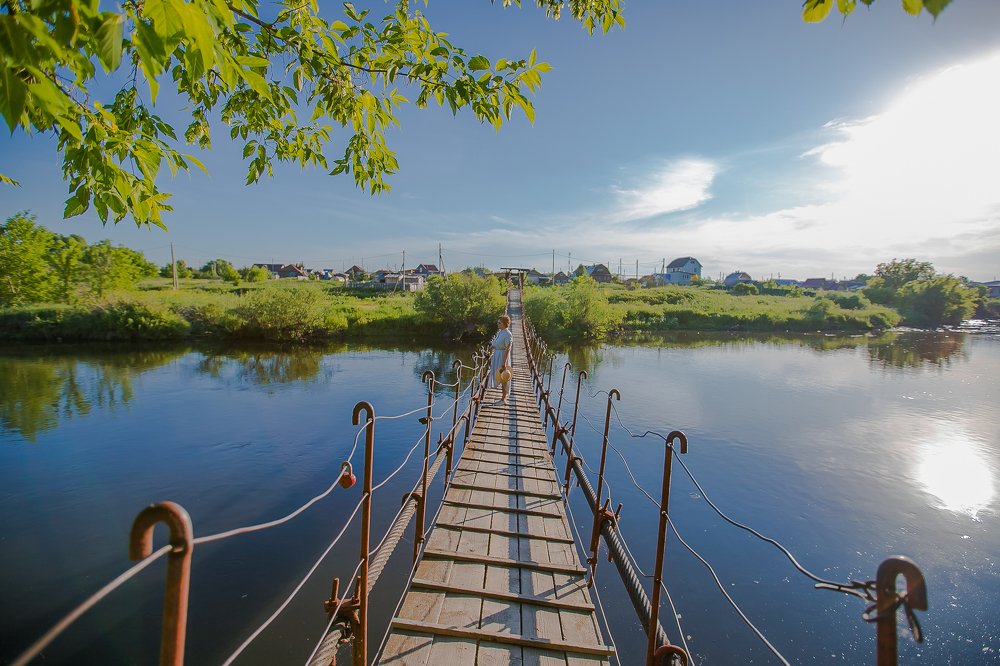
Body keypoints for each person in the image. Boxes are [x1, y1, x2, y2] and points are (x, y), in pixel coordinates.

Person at [489, 314, 513, 405]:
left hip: (502, 356)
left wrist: (504, 362)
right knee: (499, 376)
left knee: (504, 377)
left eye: (499, 323)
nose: (497, 324)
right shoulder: (500, 332)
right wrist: (492, 346)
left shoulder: (507, 334)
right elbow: (497, 342)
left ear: (504, 324)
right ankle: (502, 398)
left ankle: (503, 399)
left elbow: (508, 349)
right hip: (497, 355)